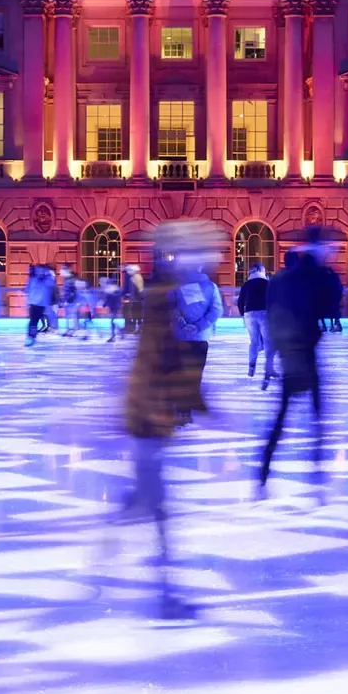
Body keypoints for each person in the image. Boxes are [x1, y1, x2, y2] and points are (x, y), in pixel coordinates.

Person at [117, 221, 216, 620]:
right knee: (156, 510)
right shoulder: (162, 297)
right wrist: (205, 408)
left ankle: (163, 590)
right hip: (148, 417)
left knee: (150, 507)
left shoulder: (163, 294)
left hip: (148, 416)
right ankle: (165, 594)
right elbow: (163, 359)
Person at [258, 239, 340, 487]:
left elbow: (273, 314)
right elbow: (331, 299)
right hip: (303, 354)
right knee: (313, 415)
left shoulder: (280, 282)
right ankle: (314, 472)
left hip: (290, 354)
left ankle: (264, 468)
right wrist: (327, 269)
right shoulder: (306, 282)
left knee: (284, 416)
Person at [171, 259, 221, 424]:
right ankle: (188, 409)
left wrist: (183, 324)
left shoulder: (176, 286)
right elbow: (216, 310)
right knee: (195, 374)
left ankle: (181, 410)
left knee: (180, 374)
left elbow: (171, 307)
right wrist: (199, 326)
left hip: (180, 337)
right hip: (200, 338)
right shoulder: (210, 286)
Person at [238, 262, 276, 383]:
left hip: (249, 314)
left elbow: (240, 302)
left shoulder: (246, 284)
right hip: (264, 313)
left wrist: (242, 315)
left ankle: (252, 365)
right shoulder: (267, 283)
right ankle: (268, 368)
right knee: (268, 341)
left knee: (254, 341)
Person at [24, 263, 54, 345]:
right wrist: (26, 303)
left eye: (41, 270)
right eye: (38, 270)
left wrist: (48, 274)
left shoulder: (47, 280)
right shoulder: (32, 280)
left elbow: (52, 284)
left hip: (41, 305)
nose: (39, 272)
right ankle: (31, 336)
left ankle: (32, 336)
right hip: (33, 303)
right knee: (33, 321)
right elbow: (27, 290)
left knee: (35, 320)